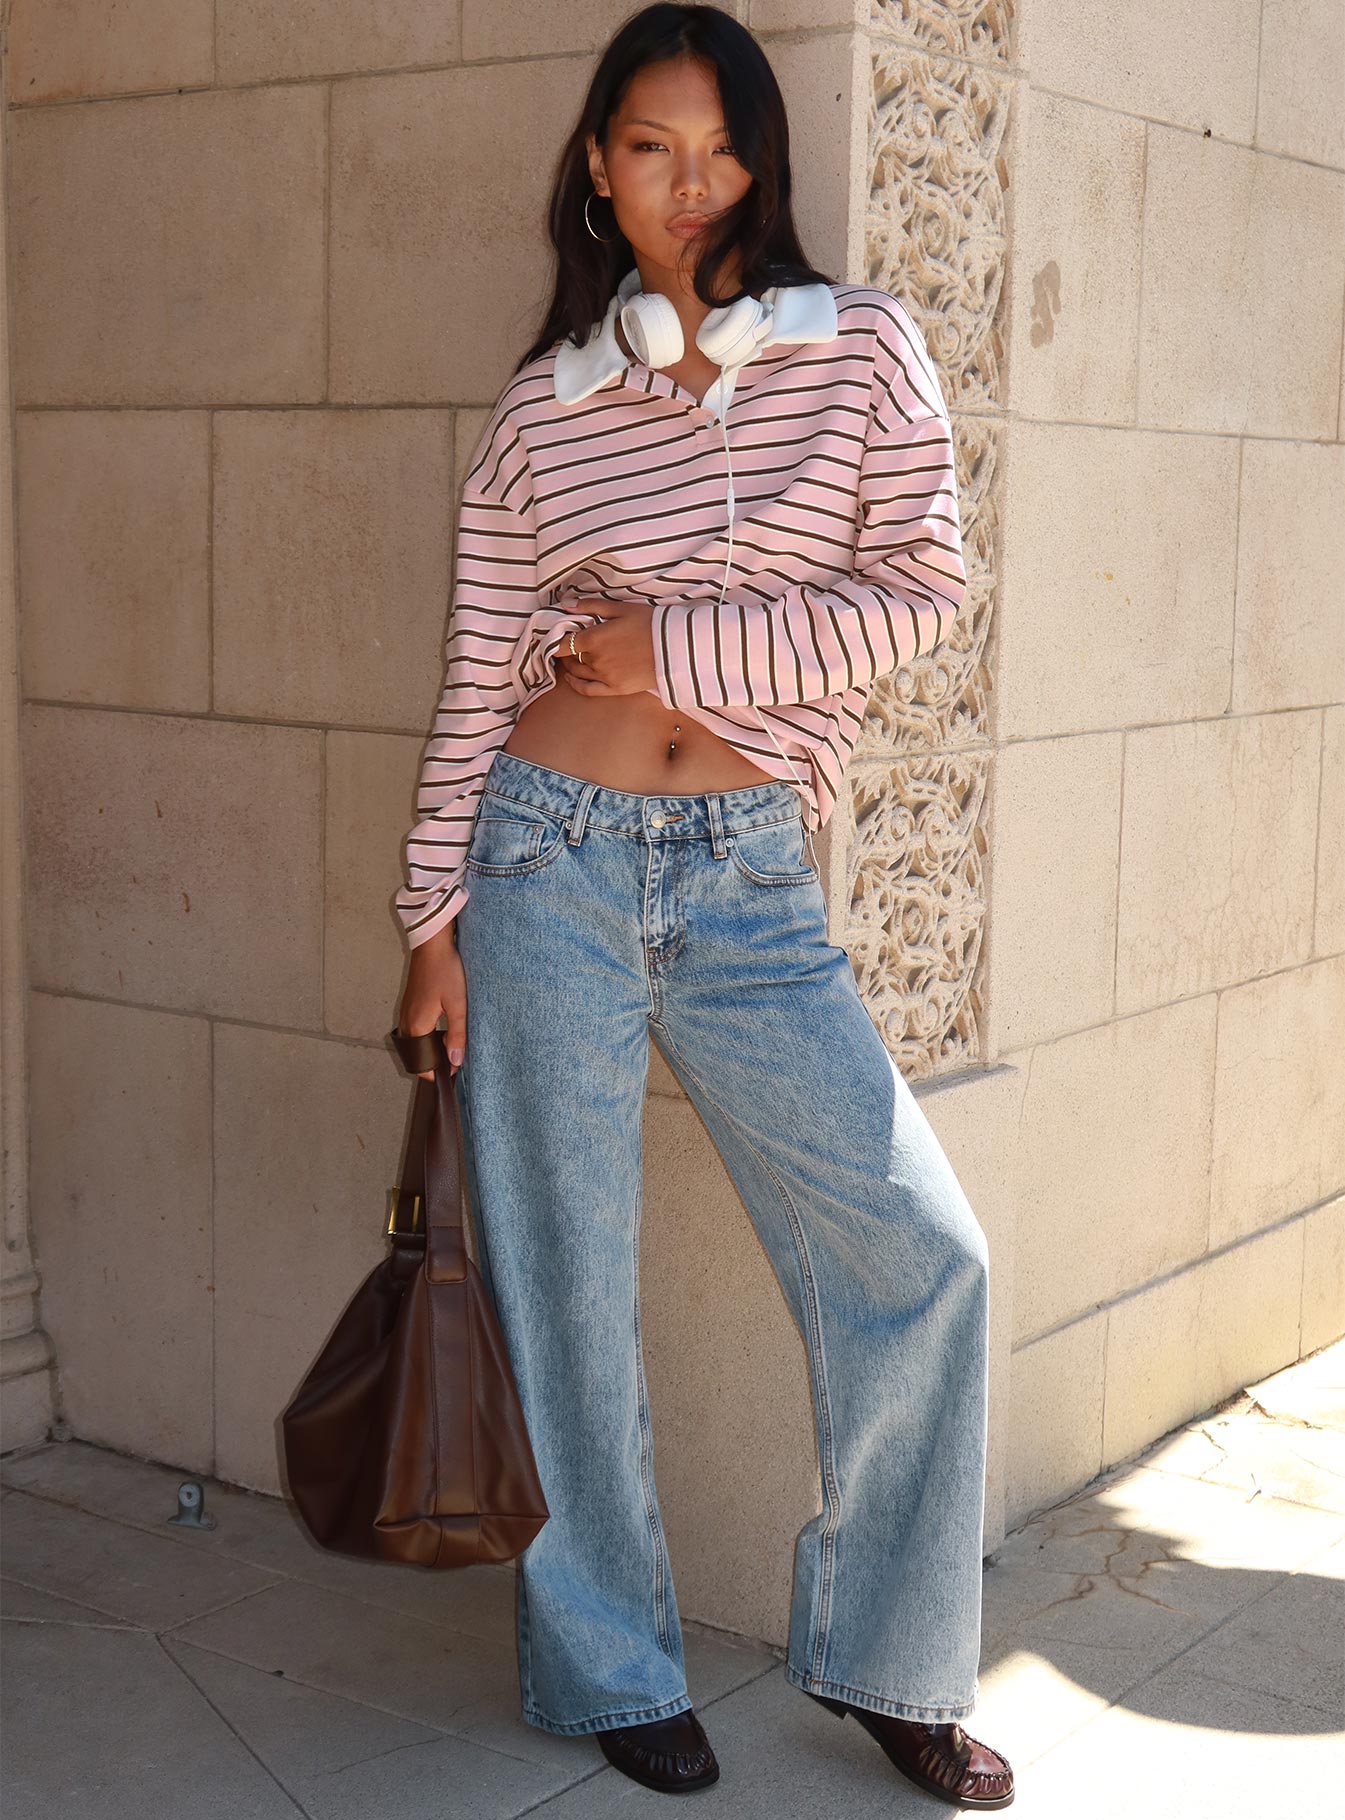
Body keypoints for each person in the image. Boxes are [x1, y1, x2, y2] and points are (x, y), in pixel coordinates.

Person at [394, 4, 1013, 1808]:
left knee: (920, 1252)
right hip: (541, 859)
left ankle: (893, 1659)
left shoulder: (858, 356)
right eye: (651, 149)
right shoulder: (543, 409)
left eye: (722, 148)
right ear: (597, 166)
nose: (691, 187)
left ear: (764, 160)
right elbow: (476, 670)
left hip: (745, 878)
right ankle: (607, 1663)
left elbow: (915, 591)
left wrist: (680, 641)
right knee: (563, 1278)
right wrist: (428, 911)